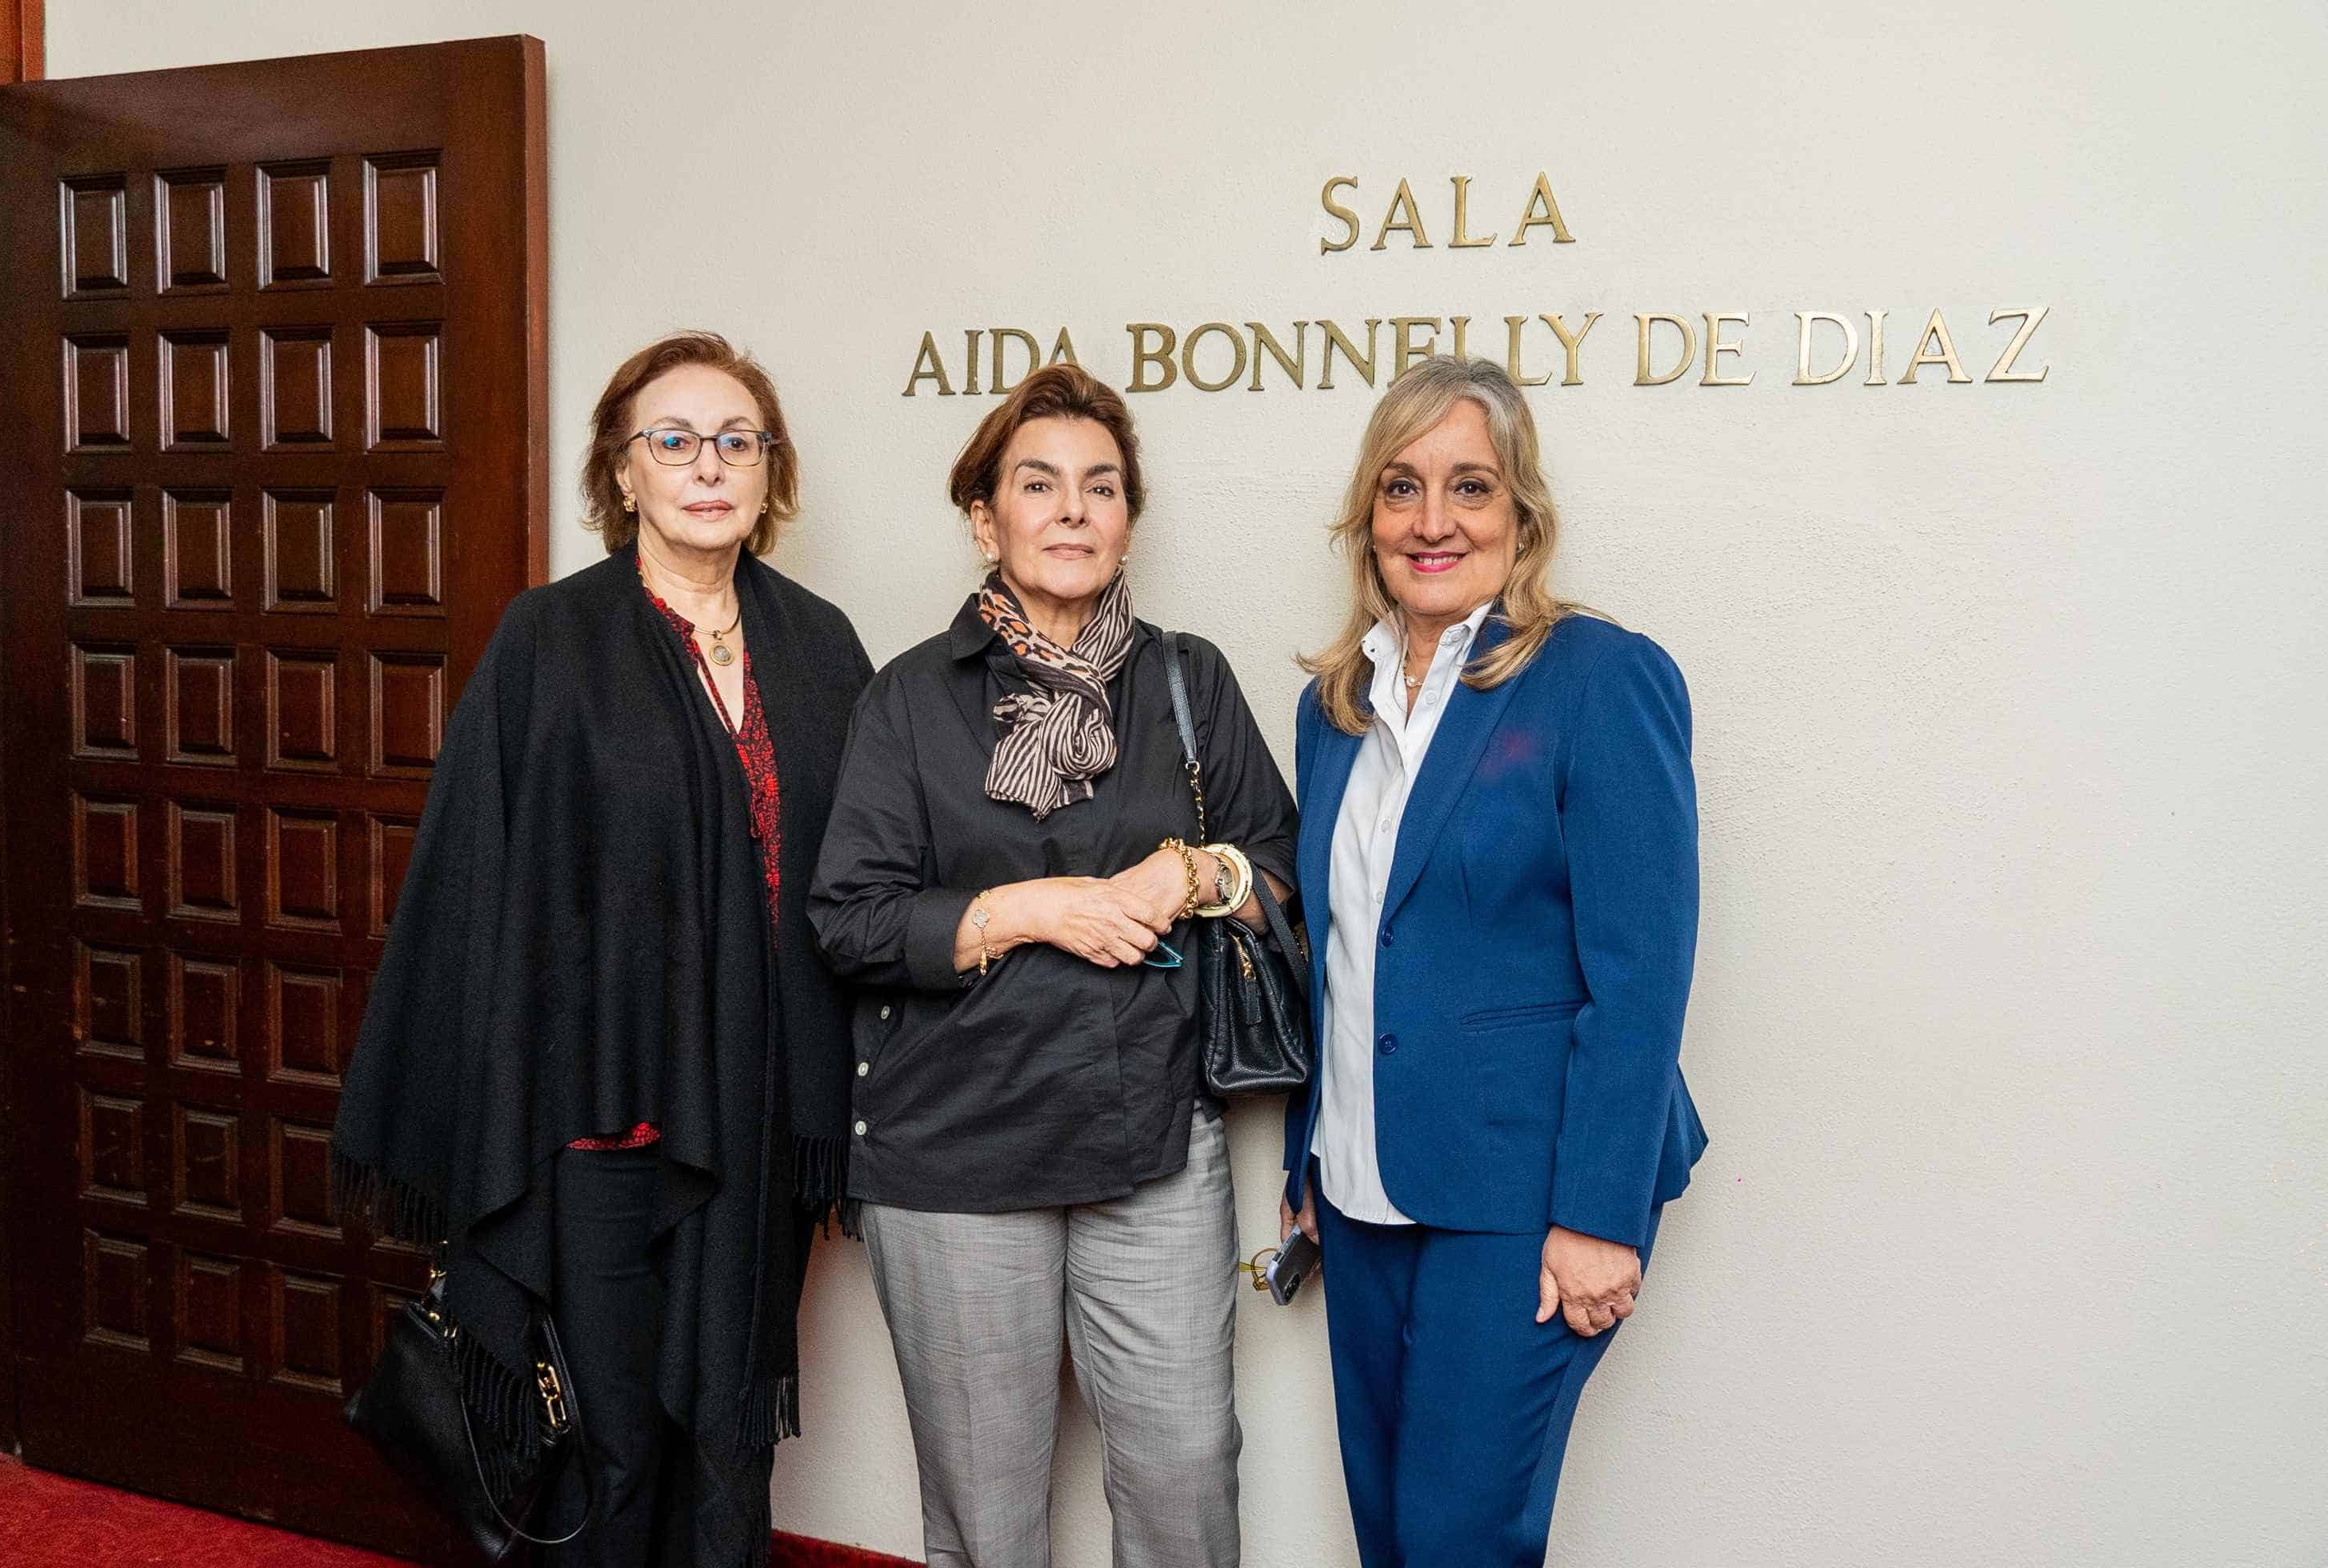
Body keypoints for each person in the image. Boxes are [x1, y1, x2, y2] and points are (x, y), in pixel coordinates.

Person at [333, 331, 874, 1566]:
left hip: (760, 1111)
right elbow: (483, 878)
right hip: (600, 1117)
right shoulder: (552, 640)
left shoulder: (821, 645)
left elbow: (866, 871)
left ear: (769, 473)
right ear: (621, 474)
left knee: (733, 1426)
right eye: (673, 440)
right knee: (611, 1439)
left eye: (738, 440)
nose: (708, 465)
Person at [809, 363, 1295, 1568]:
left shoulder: (1191, 682)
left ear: (1130, 517)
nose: (1074, 509)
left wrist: (1182, 875)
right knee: (988, 1513)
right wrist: (1027, 909)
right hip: (956, 1154)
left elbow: (1278, 868)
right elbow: (852, 921)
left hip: (1150, 1149)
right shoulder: (910, 699)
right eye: (1040, 484)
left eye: (1102, 486)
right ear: (986, 517)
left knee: (1187, 1479)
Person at [1279, 355, 1709, 1566]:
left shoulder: (1598, 678)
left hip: (1526, 1205)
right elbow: (1345, 946)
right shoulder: (1334, 705)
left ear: (1521, 514)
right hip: (1361, 1192)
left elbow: (1641, 976)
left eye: (1470, 487)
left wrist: (1598, 1216)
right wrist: (1318, 1142)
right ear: (1368, 512)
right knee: (1390, 1538)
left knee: (1460, 1540)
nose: (1433, 521)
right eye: (1403, 487)